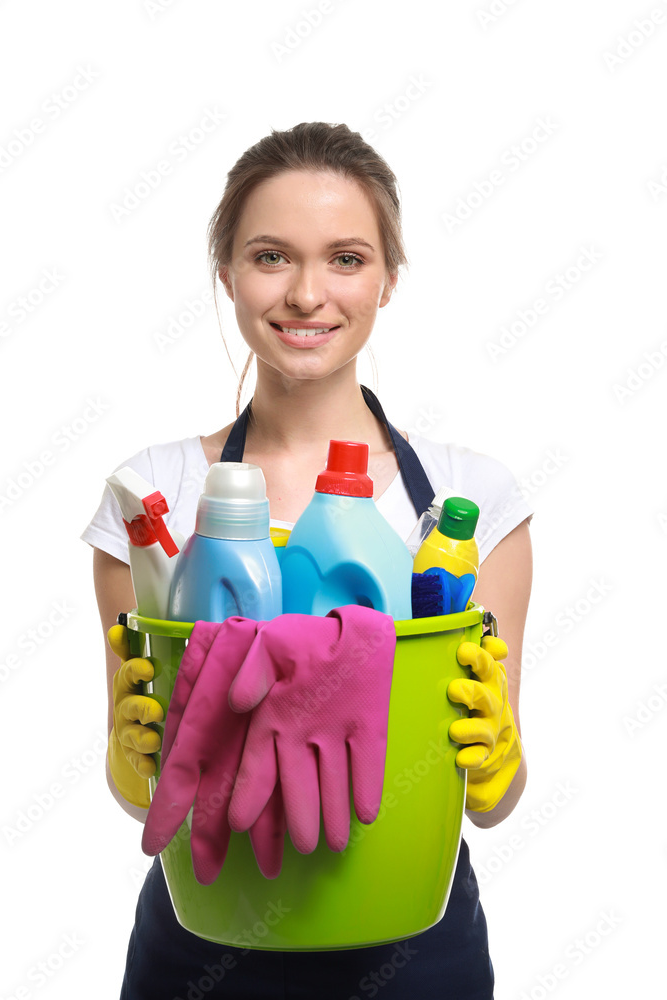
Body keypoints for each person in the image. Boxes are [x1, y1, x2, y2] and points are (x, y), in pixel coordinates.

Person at [82, 121, 533, 999]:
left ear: (389, 281)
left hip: (413, 941)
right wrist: (130, 758)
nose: (306, 294)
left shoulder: (468, 498)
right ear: (228, 276)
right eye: (271, 256)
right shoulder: (155, 495)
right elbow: (146, 800)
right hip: (205, 937)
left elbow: (486, 803)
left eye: (347, 259)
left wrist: (497, 758)